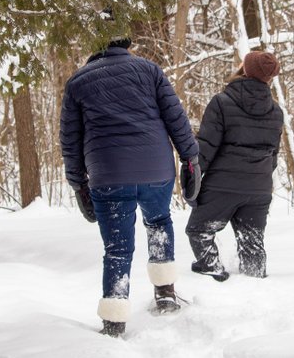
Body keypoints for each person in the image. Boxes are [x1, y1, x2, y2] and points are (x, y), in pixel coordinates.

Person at [59, 33, 201, 338]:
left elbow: (70, 142)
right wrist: (190, 159)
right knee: (159, 222)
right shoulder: (149, 70)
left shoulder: (77, 83)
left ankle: (114, 320)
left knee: (117, 248)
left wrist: (77, 183)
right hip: (155, 169)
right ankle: (164, 293)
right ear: (125, 42)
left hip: (108, 174)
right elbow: (176, 118)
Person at [186, 50, 284, 281]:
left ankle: (212, 271)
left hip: (222, 186)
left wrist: (192, 177)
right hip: (259, 188)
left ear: (245, 69)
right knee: (253, 241)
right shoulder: (276, 112)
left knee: (199, 231)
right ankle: (255, 284)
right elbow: (273, 156)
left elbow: (206, 147)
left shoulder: (222, 102)